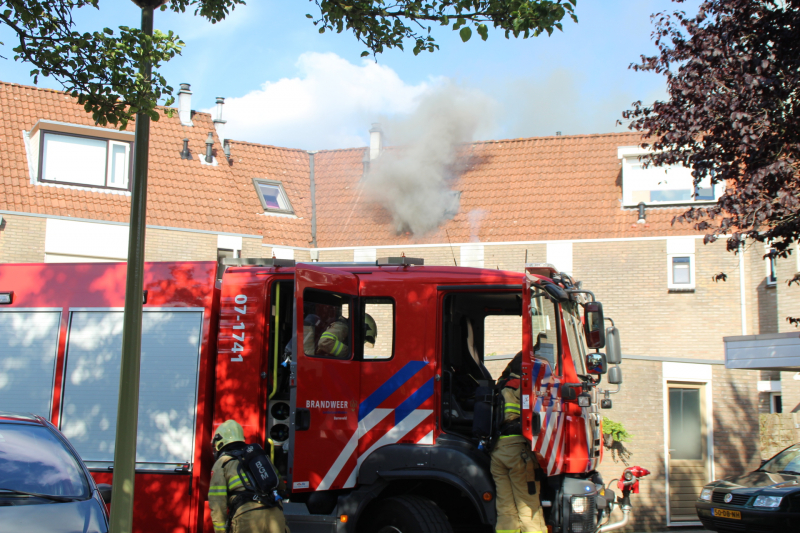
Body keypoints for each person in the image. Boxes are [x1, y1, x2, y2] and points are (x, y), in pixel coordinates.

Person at [491, 353, 547, 533]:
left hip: (498, 452)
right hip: (517, 452)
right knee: (529, 508)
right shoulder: (521, 387)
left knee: (505, 509)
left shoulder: (500, 386)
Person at [208, 420, 287, 533]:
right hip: (275, 516)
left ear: (220, 441)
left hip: (247, 518)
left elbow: (217, 502)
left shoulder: (222, 463)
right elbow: (281, 486)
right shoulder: (258, 456)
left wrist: (220, 530)